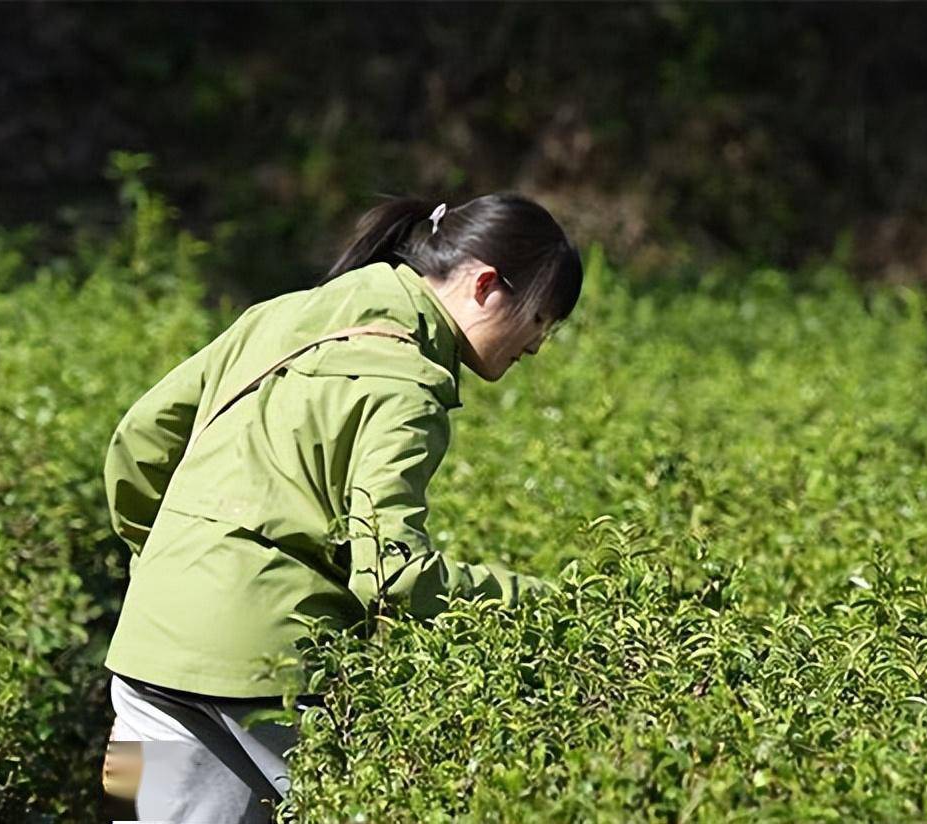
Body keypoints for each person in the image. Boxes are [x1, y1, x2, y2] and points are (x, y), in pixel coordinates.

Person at [99, 192, 583, 822]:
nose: (538, 345)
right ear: (486, 284)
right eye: (542, 318)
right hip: (263, 669)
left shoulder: (280, 315)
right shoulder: (405, 383)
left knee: (136, 813)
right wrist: (547, 601)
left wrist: (170, 564)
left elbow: (140, 440)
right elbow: (389, 577)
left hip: (144, 650)